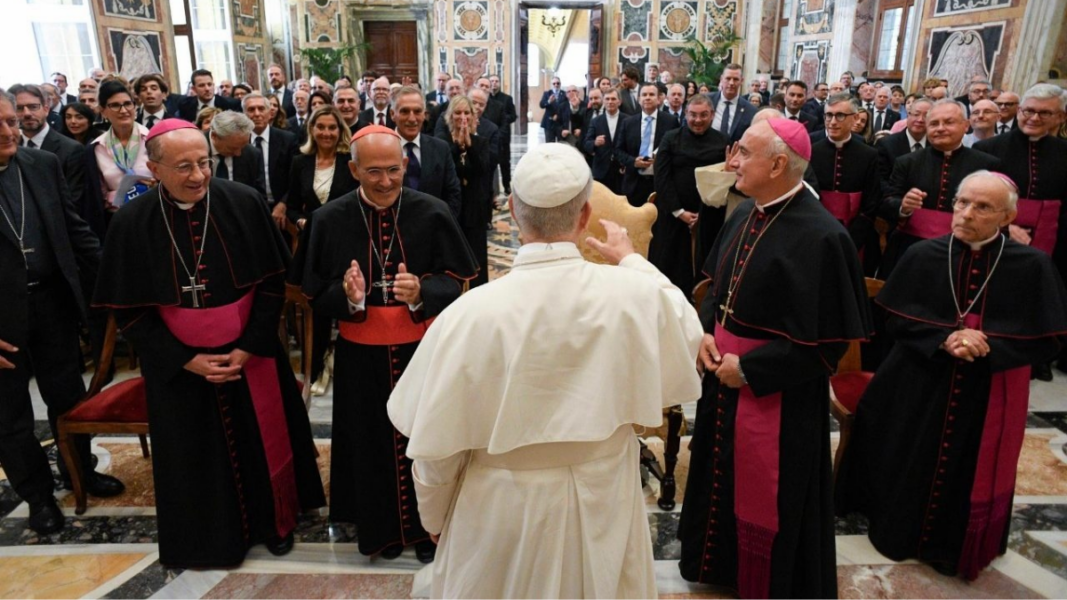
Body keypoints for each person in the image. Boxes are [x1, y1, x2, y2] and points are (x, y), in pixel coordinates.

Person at [387, 142, 702, 597]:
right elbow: (687, 328)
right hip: (603, 499)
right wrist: (632, 259)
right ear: (585, 214)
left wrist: (434, 516)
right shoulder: (634, 295)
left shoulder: (467, 314)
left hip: (500, 507)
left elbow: (436, 449)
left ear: (513, 212)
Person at [93, 119, 325, 567]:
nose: (199, 175)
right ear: (154, 169)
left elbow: (273, 283)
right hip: (178, 367)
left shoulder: (244, 202)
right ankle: (211, 539)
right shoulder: (132, 222)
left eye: (204, 162)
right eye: (184, 166)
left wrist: (250, 344)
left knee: (261, 442)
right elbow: (129, 310)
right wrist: (184, 359)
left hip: (250, 354)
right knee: (194, 456)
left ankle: (273, 523)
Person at [837, 171, 1067, 579]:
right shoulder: (923, 255)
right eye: (962, 202)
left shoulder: (1032, 265)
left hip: (988, 385)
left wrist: (987, 346)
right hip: (918, 376)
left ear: (1007, 216)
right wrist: (943, 339)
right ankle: (897, 530)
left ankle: (953, 545)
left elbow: (1048, 338)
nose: (966, 213)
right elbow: (893, 320)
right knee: (906, 449)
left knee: (968, 464)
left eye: (983, 207)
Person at [678, 118, 870, 598]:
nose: (732, 162)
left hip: (777, 398)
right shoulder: (744, 211)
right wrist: (705, 333)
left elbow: (827, 346)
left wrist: (750, 370)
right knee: (718, 476)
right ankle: (721, 567)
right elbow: (715, 288)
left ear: (779, 164)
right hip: (722, 377)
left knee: (771, 495)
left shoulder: (824, 237)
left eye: (744, 152)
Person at [294, 124, 476, 562]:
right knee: (370, 443)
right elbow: (313, 292)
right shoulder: (329, 218)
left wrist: (422, 292)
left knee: (426, 440)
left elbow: (457, 281)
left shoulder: (431, 211)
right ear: (353, 170)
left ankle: (429, 529)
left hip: (421, 353)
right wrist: (350, 297)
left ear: (405, 164)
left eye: (393, 169)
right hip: (360, 357)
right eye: (373, 171)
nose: (385, 181)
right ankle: (381, 532)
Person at [0, 90, 124, 537]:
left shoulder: (42, 164)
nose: (10, 131)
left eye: (11, 121)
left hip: (52, 303)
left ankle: (80, 472)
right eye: (0, 124)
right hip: (1, 322)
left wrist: (115, 279)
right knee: (10, 415)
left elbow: (74, 229)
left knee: (68, 398)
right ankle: (38, 497)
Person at [281, 105, 357, 388]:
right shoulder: (300, 162)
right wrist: (300, 221)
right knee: (318, 302)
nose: (326, 132)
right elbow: (291, 207)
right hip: (313, 245)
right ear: (312, 129)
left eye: (332, 127)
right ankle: (319, 365)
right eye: (321, 127)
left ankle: (346, 363)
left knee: (347, 302)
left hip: (346, 244)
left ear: (340, 130)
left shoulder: (350, 161)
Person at [879, 100, 1000, 277]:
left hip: (964, 247)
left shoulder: (986, 164)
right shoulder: (907, 162)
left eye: (949, 122)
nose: (940, 128)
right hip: (910, 247)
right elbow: (887, 202)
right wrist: (903, 206)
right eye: (934, 123)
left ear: (966, 125)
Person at [651, 94, 728, 294]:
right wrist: (679, 212)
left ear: (712, 115)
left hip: (709, 217)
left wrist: (703, 216)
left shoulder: (723, 141)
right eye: (693, 115)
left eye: (703, 115)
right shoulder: (670, 138)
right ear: (686, 114)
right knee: (669, 268)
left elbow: (726, 180)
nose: (698, 120)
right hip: (673, 215)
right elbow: (662, 178)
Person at [810, 93, 883, 271]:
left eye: (840, 115)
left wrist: (852, 237)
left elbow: (872, 201)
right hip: (816, 229)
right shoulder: (812, 151)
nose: (833, 122)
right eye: (829, 115)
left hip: (856, 231)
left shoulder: (869, 155)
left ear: (855, 118)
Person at [84, 81, 151, 237]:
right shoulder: (96, 148)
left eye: (128, 104)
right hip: (119, 221)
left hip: (154, 214)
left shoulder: (153, 139)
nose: (123, 110)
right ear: (103, 111)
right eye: (115, 105)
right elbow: (96, 197)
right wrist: (117, 196)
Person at [441, 95, 493, 287]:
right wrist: (457, 146)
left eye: (466, 112)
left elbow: (482, 170)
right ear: (450, 116)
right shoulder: (442, 142)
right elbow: (446, 170)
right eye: (457, 112)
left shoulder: (481, 143)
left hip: (474, 208)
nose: (462, 117)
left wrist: (469, 146)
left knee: (476, 258)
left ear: (473, 116)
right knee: (452, 255)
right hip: (452, 208)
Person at [391, 86, 462, 220]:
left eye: (417, 111)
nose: (412, 118)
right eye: (405, 111)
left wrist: (443, 226)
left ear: (424, 114)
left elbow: (453, 193)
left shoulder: (441, 148)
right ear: (392, 114)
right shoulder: (380, 149)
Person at [615, 82, 679, 206]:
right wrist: (633, 161)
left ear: (659, 99)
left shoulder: (671, 121)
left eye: (651, 94)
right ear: (639, 99)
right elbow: (618, 150)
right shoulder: (628, 123)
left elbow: (676, 150)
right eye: (644, 95)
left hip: (660, 182)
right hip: (634, 183)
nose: (647, 97)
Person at [243, 92, 298, 226]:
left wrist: (283, 204)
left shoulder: (287, 139)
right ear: (244, 114)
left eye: (261, 109)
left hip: (282, 209)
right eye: (251, 109)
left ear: (269, 113)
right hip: (249, 209)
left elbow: (296, 177)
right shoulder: (240, 142)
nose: (257, 114)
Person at [207, 111, 266, 197]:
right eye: (232, 148)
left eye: (243, 147)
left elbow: (258, 195)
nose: (238, 153)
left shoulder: (252, 154)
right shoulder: (195, 149)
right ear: (214, 136)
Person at [875, 97, 931, 182]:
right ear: (908, 115)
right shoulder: (887, 144)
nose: (920, 120)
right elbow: (881, 180)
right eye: (916, 114)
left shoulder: (937, 145)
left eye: (926, 116)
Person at [583, 88, 624, 194]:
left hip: (621, 170)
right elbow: (586, 143)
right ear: (603, 101)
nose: (610, 102)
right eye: (607, 99)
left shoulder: (628, 120)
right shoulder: (595, 121)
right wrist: (595, 143)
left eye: (613, 99)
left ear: (619, 102)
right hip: (601, 170)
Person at [488, 75, 516, 194]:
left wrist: (502, 118)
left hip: (503, 135)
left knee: (505, 162)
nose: (494, 83)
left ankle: (506, 185)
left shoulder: (507, 99)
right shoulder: (485, 99)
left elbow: (513, 116)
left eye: (496, 81)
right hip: (489, 135)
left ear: (499, 83)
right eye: (492, 81)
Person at [538, 76, 563, 142]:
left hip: (560, 123)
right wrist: (549, 101)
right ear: (552, 85)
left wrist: (558, 115)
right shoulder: (547, 93)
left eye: (558, 83)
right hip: (549, 123)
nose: (556, 85)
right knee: (549, 144)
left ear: (560, 84)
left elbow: (565, 108)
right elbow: (541, 105)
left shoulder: (564, 94)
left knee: (561, 143)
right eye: (554, 83)